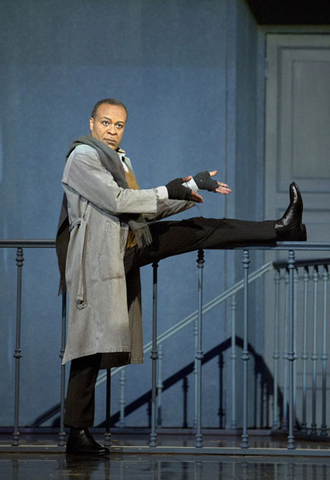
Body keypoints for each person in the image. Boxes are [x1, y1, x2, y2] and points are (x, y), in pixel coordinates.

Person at [56, 98, 306, 456]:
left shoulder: (117, 158)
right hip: (98, 261)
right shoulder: (82, 157)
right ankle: (76, 435)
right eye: (107, 123)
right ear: (92, 123)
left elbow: (142, 208)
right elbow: (118, 200)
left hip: (124, 248)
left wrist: (190, 186)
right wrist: (170, 189)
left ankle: (284, 228)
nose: (113, 130)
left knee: (200, 227)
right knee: (88, 351)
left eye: (120, 125)